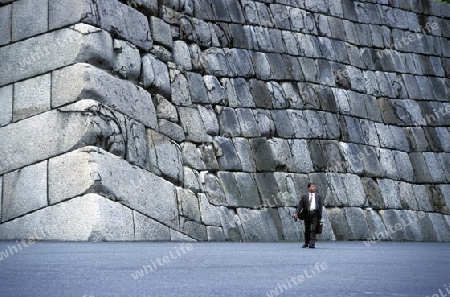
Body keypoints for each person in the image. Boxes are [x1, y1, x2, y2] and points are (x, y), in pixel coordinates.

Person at [292, 183, 323, 249]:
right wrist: (296, 213)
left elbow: (320, 206)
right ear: (309, 188)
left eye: (314, 186)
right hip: (307, 213)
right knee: (307, 229)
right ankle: (306, 243)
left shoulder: (318, 196)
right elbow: (300, 205)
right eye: (312, 186)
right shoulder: (304, 196)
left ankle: (312, 243)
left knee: (313, 229)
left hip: (315, 214)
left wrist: (320, 216)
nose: (314, 188)